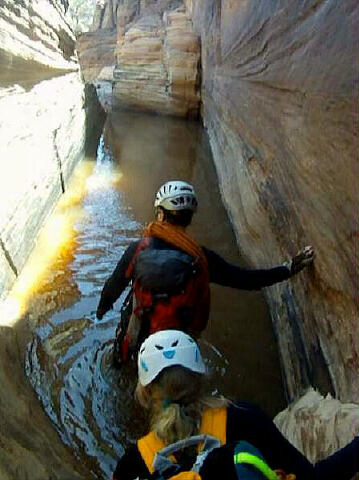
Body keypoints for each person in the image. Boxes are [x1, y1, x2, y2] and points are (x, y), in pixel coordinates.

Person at [96, 180, 314, 359]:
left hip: (139, 340)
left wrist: (100, 312)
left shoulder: (138, 249)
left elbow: (111, 289)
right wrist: (288, 268)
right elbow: (246, 280)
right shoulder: (201, 257)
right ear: (189, 218)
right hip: (178, 345)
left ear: (161, 214)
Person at [112, 330, 358, 480]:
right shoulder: (245, 418)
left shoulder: (135, 462)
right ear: (200, 378)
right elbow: (313, 479)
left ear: (144, 391)